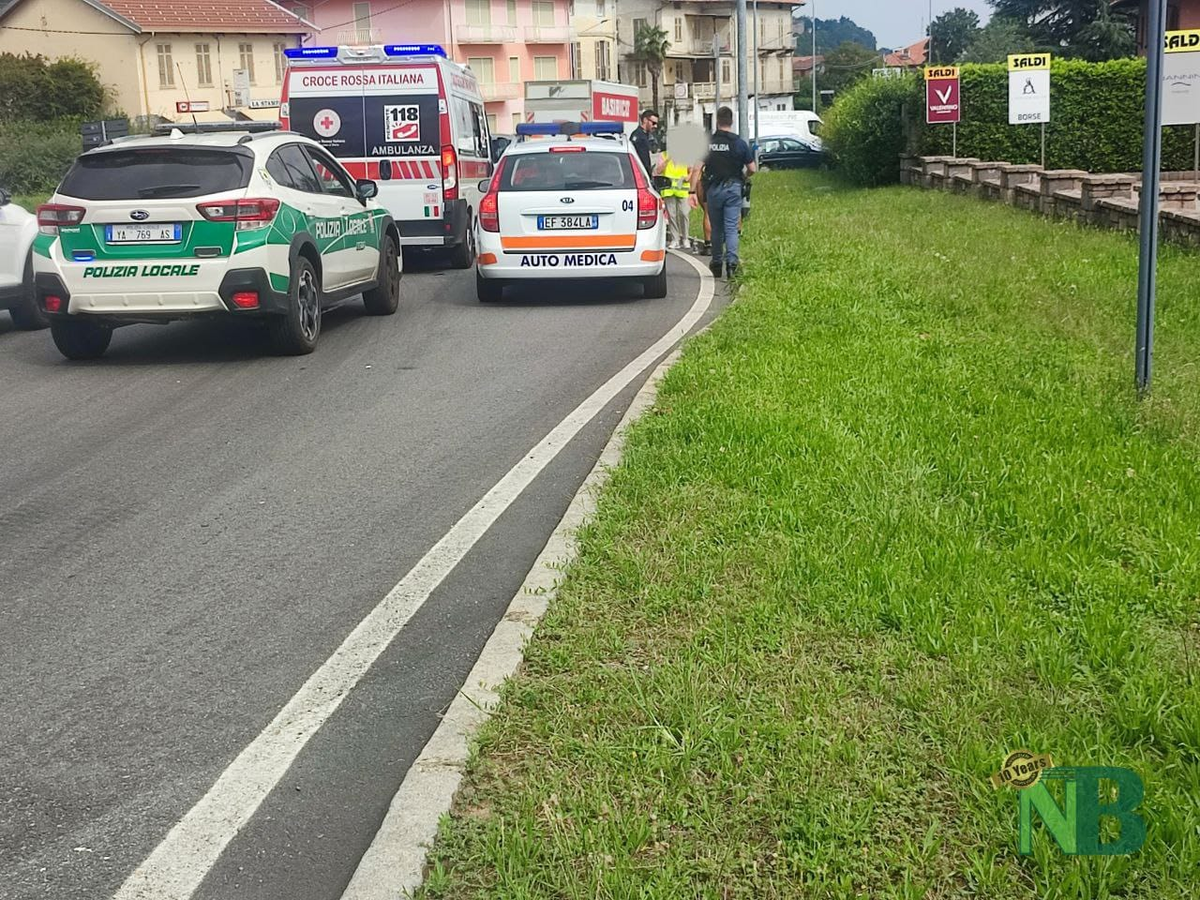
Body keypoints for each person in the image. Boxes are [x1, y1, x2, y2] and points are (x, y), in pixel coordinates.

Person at [701, 106, 755, 278]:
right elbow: (752, 168)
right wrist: (744, 177)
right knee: (731, 228)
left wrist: (693, 192)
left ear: (717, 121)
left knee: (717, 229)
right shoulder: (739, 143)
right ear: (731, 121)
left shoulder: (708, 142)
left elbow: (697, 167)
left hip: (713, 189)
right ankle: (732, 264)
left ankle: (716, 263)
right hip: (733, 188)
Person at [656, 150, 692, 250]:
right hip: (669, 189)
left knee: (684, 213)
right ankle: (675, 239)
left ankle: (685, 238)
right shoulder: (663, 155)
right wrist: (667, 160)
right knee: (671, 215)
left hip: (682, 188)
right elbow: (658, 171)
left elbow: (691, 169)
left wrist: (688, 177)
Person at [630, 109, 658, 178]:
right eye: (653, 123)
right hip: (640, 175)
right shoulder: (638, 136)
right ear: (645, 120)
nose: (655, 126)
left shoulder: (648, 135)